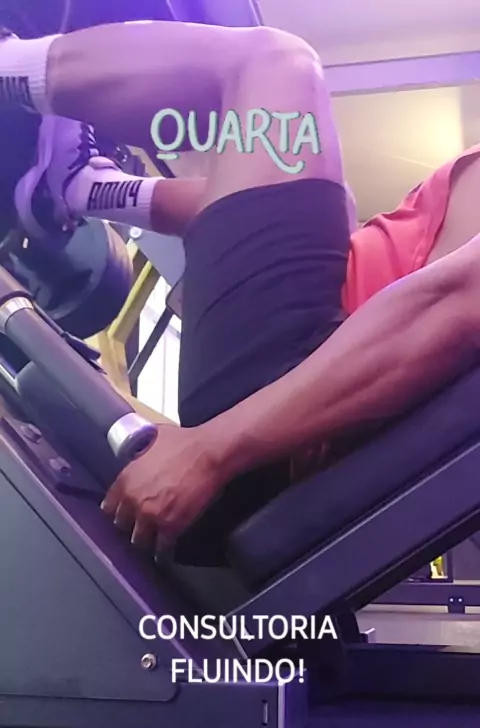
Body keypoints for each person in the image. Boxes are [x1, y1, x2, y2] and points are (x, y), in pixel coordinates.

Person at [1, 22, 480, 560]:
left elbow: (455, 304)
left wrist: (211, 452)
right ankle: (79, 188)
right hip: (310, 354)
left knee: (275, 63)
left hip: (292, 396)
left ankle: (11, 73)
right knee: (318, 189)